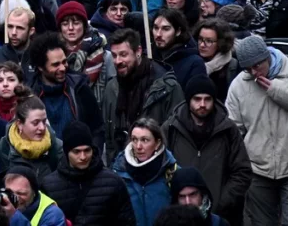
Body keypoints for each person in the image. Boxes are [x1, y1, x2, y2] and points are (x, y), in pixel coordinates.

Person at [226, 35, 288, 226]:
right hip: (257, 168)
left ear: (267, 57)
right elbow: (233, 129)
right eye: (248, 69)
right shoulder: (239, 85)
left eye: (257, 66)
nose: (254, 73)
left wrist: (278, 91)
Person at [163, 75, 251, 226]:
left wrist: (221, 202)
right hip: (179, 216)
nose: (202, 104)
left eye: (207, 99)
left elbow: (242, 171)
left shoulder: (228, 130)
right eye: (197, 99)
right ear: (188, 99)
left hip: (220, 215)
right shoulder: (171, 129)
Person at [102, 28, 182, 162]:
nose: (117, 61)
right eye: (114, 55)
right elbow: (109, 135)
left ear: (138, 51)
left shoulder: (167, 88)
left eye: (123, 54)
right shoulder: (112, 88)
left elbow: (176, 137)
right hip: (122, 167)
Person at [42, 121, 136, 226]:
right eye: (76, 152)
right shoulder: (49, 186)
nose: (83, 157)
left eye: (87, 150)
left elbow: (126, 221)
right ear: (67, 152)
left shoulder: (113, 182)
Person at [27, 33, 103, 149]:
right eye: (56, 65)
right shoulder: (30, 96)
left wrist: (92, 155)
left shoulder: (79, 88)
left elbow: (97, 129)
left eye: (64, 62)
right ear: (40, 67)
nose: (63, 68)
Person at [111, 119, 178, 226]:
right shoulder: (118, 173)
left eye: (145, 140)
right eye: (134, 139)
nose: (138, 146)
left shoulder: (172, 172)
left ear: (157, 143)